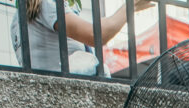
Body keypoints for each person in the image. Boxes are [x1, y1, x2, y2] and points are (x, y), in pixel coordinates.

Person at [11, 0, 154, 74]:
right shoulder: (48, 4)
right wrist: (129, 7)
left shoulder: (19, 17)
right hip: (63, 87)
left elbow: (97, 29)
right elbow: (96, 35)